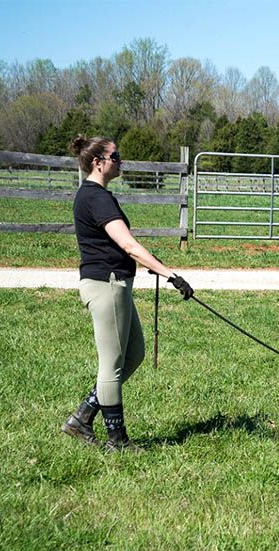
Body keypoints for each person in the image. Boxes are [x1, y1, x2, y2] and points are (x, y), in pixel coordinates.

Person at [62, 135, 194, 452]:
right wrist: (170, 275)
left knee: (133, 354)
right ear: (98, 163)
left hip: (115, 283)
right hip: (106, 285)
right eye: (116, 156)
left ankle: (82, 417)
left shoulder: (96, 196)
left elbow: (122, 245)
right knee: (111, 365)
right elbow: (128, 244)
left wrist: (155, 265)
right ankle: (117, 440)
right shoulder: (96, 198)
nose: (121, 161)